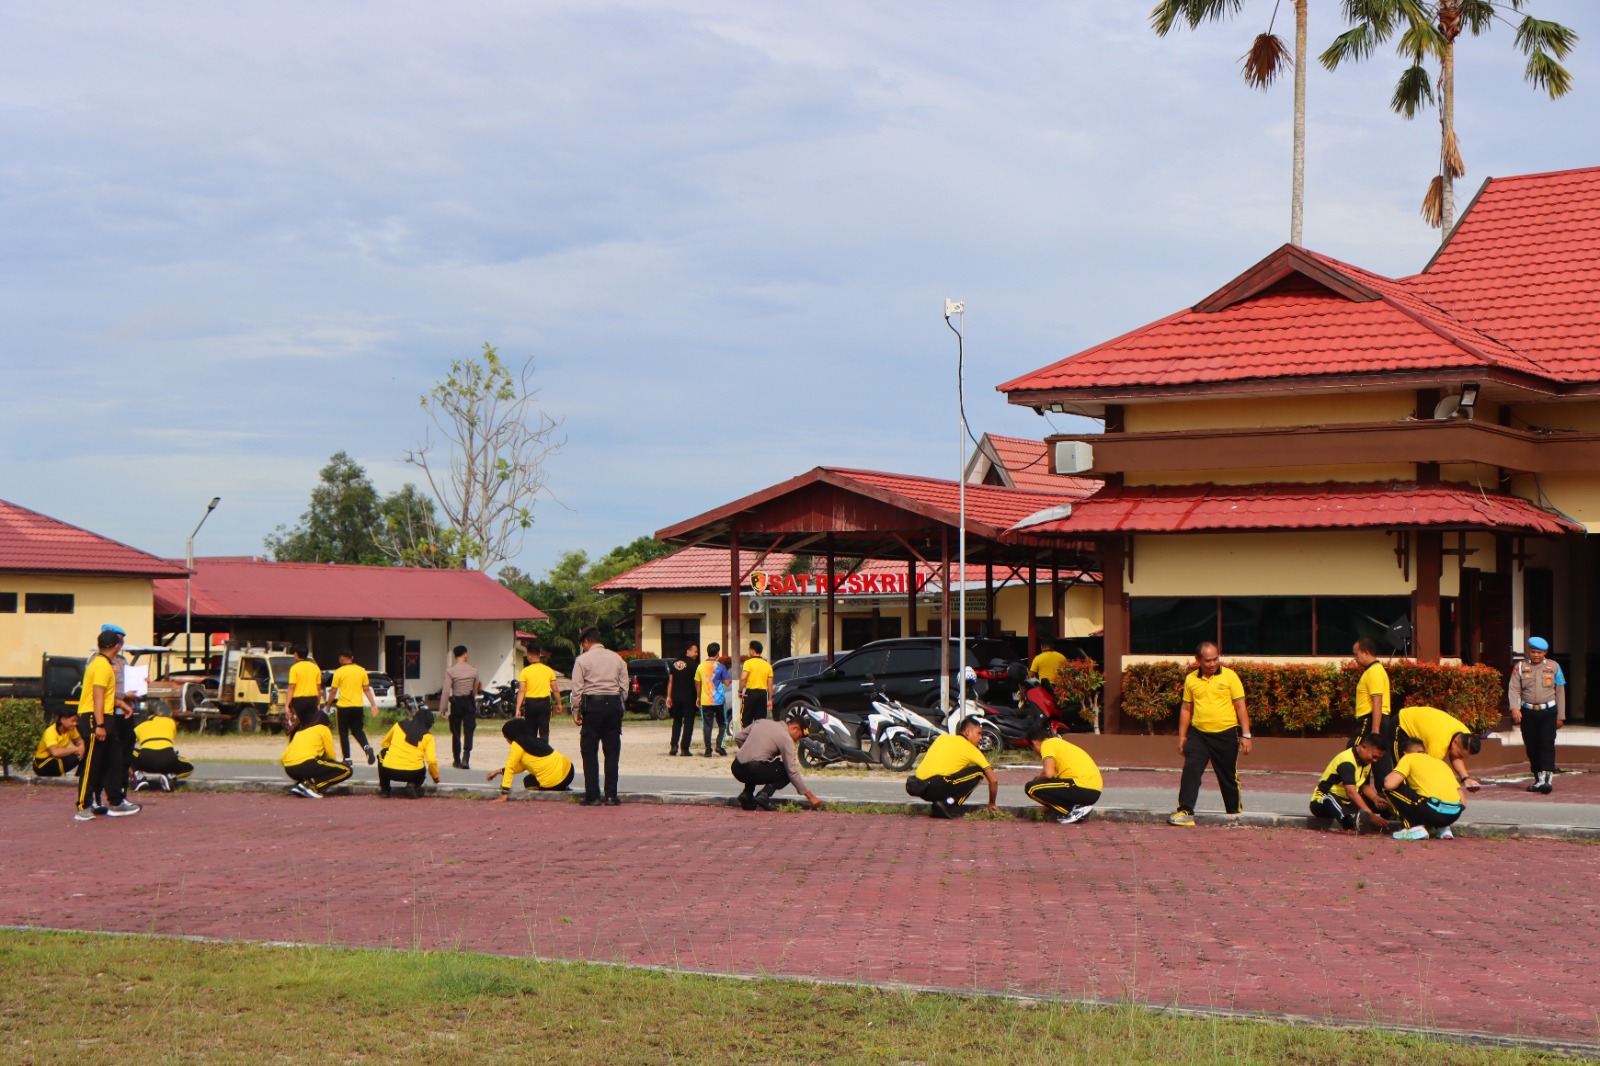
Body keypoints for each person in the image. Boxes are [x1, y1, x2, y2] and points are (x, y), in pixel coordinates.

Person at [1169, 642, 1251, 826]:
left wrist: (1246, 735)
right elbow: (1186, 708)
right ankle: (1185, 811)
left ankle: (1234, 812)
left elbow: (1240, 706)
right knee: (1191, 770)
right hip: (1199, 735)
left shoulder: (1230, 677)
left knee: (1228, 776)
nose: (1213, 663)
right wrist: (1182, 736)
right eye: (1208, 660)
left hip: (1226, 734)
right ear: (1198, 660)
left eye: (1216, 659)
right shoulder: (1191, 679)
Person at [74, 629, 140, 820]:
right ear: (117, 647)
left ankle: (116, 801)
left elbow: (107, 696)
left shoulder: (104, 664)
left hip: (106, 716)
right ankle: (83, 806)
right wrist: (100, 725)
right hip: (95, 717)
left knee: (115, 760)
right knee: (92, 764)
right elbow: (98, 696)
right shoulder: (102, 666)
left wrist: (121, 704)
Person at [570, 626, 628, 806]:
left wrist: (576, 711)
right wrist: (618, 705)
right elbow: (624, 688)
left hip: (592, 707)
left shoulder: (582, 660)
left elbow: (577, 689)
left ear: (586, 642)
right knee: (611, 752)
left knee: (589, 752)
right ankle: (611, 795)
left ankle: (593, 795)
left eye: (583, 645)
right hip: (613, 706)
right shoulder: (617, 658)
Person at [906, 717, 999, 819]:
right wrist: (991, 803)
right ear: (968, 732)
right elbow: (993, 781)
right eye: (979, 733)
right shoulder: (971, 750)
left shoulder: (942, 738)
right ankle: (947, 804)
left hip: (918, 786)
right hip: (935, 787)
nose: (981, 737)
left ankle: (938, 806)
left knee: (952, 774)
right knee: (979, 772)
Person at [1509, 636, 1565, 794]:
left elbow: (1560, 691)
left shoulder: (1553, 667)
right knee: (1532, 745)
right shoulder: (1520, 667)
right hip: (1528, 711)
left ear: (1545, 652)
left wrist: (1561, 716)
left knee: (1546, 744)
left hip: (1548, 711)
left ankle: (1547, 779)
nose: (1536, 655)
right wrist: (1514, 708)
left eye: (1539, 652)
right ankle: (1538, 777)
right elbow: (1513, 689)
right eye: (1533, 652)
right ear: (1529, 651)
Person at [731, 716, 823, 811]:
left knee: (756, 762)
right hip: (754, 770)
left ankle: (747, 794)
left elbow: (738, 737)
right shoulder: (786, 739)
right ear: (795, 728)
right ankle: (764, 795)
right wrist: (811, 797)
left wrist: (748, 750)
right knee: (784, 770)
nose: (796, 742)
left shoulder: (761, 722)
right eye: (798, 737)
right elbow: (792, 772)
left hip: (736, 768)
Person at [1022, 716, 1101, 824]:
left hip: (1080, 786)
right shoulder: (1059, 745)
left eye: (1033, 749)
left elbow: (1048, 774)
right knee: (1042, 785)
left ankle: (1070, 811)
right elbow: (1054, 791)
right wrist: (1042, 812)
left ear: (1035, 743)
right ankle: (1076, 809)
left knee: (1030, 788)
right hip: (1093, 791)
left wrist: (1036, 780)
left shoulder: (1047, 744)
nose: (1035, 753)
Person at [1384, 737, 1465, 840]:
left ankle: (1414, 828)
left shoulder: (1409, 758)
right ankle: (1443, 829)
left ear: (1405, 753)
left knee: (1389, 788)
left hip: (1431, 811)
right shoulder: (1442, 763)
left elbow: (1389, 784)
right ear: (1426, 750)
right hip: (1453, 815)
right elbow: (1463, 802)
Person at [1308, 735, 1390, 832]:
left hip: (1347, 802)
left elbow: (1365, 786)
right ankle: (1351, 823)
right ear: (1363, 747)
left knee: (1385, 799)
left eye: (1378, 758)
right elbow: (1351, 792)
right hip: (1323, 802)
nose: (1375, 760)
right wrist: (1371, 815)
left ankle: (1392, 818)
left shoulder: (1366, 761)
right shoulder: (1347, 761)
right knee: (1330, 799)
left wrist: (1375, 799)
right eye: (1374, 756)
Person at [1394, 705, 1482, 791]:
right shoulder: (1438, 746)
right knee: (1402, 773)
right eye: (1460, 754)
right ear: (1455, 742)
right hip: (1402, 723)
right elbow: (1426, 772)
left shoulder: (1465, 735)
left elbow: (1456, 757)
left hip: (1420, 728)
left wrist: (1466, 779)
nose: (1460, 758)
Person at [490, 717, 575, 799]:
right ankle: (563, 787)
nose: (507, 741)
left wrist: (504, 792)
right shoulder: (534, 740)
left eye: (506, 737)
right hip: (569, 771)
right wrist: (499, 771)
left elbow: (510, 767)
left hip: (554, 782)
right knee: (534, 776)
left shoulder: (517, 744)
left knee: (529, 782)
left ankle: (553, 789)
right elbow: (521, 767)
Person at [279, 707, 352, 798]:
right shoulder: (323, 729)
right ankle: (311, 786)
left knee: (315, 766)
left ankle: (303, 785)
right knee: (347, 770)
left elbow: (283, 758)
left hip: (290, 769)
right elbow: (331, 755)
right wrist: (331, 768)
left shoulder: (301, 731)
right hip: (306, 764)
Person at [1352, 638, 1395, 780]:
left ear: (1366, 653)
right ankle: (1382, 796)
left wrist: (1375, 730)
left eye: (1356, 654)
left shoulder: (1374, 672)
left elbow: (1377, 701)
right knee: (1379, 760)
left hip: (1371, 721)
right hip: (1377, 720)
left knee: (1352, 755)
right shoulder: (1374, 671)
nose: (1355, 659)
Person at [325, 650, 377, 767]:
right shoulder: (361, 670)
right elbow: (366, 689)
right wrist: (373, 704)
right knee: (358, 730)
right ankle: (366, 747)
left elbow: (333, 691)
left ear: (342, 659)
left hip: (344, 707)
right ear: (352, 658)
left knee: (343, 732)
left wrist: (328, 705)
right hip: (358, 706)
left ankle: (347, 759)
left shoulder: (339, 672)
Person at [377, 708, 440, 798]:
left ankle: (385, 790)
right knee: (422, 764)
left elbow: (384, 743)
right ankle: (413, 785)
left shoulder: (398, 725)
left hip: (389, 771)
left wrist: (395, 750)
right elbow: (431, 761)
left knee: (382, 754)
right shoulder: (428, 737)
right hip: (413, 774)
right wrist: (435, 777)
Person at [131, 704, 194, 792]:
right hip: (168, 761)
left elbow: (128, 743)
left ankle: (139, 777)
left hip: (146, 762)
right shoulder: (170, 722)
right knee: (189, 767)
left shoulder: (140, 726)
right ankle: (169, 776)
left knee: (128, 752)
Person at [441, 645, 483, 769]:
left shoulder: (451, 671)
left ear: (455, 656)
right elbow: (475, 689)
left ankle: (457, 760)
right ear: (466, 655)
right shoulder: (474, 670)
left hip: (456, 703)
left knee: (456, 732)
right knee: (469, 731)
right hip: (469, 703)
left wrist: (443, 708)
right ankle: (466, 758)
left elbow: (446, 690)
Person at [513, 645, 562, 745]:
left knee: (531, 732)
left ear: (530, 656)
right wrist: (559, 703)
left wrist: (518, 708)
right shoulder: (548, 670)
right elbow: (555, 690)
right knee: (544, 731)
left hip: (530, 703)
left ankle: (532, 753)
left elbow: (522, 691)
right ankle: (544, 753)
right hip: (544, 703)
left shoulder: (525, 671)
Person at [695, 642, 731, 757]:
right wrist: (727, 679)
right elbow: (726, 682)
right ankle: (720, 746)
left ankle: (707, 749)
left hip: (705, 700)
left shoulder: (700, 666)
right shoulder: (721, 666)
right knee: (723, 723)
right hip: (719, 700)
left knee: (707, 725)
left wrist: (698, 697)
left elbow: (697, 683)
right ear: (717, 653)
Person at [665, 644, 700, 756]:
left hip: (676, 697)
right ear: (687, 652)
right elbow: (697, 683)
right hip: (689, 698)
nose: (696, 654)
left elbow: (671, 680)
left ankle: (674, 745)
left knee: (677, 722)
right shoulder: (694, 665)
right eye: (695, 651)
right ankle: (684, 748)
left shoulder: (674, 664)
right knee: (688, 723)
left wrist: (669, 696)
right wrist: (698, 696)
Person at [33, 709, 84, 778]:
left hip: (56, 758)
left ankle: (82, 776)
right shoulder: (50, 732)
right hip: (42, 763)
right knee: (67, 758)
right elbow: (55, 752)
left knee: (82, 753)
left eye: (76, 721)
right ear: (63, 720)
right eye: (72, 721)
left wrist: (82, 748)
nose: (75, 724)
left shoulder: (71, 729)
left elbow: (79, 740)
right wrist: (76, 749)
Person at [285, 645, 321, 734]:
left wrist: (287, 705)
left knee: (296, 726)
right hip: (312, 700)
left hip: (299, 701)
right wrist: (318, 703)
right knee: (310, 726)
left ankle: (295, 745)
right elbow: (318, 688)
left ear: (296, 654)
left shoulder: (294, 668)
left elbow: (291, 687)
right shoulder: (315, 668)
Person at [740, 641, 773, 727]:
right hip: (762, 694)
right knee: (760, 721)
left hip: (750, 693)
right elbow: (770, 685)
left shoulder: (748, 663)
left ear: (752, 650)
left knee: (746, 720)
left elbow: (743, 678)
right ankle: (758, 739)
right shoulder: (767, 665)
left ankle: (746, 738)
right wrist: (769, 700)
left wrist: (740, 691)